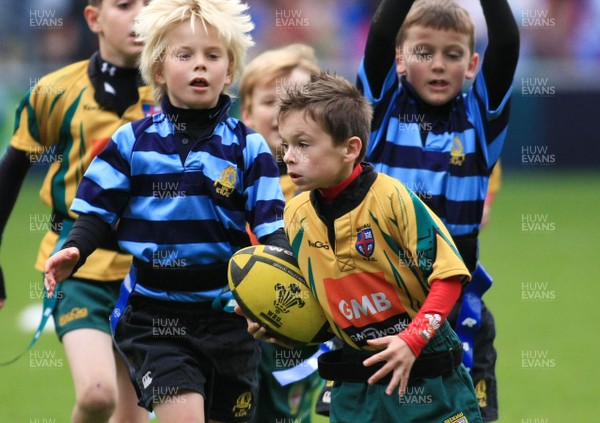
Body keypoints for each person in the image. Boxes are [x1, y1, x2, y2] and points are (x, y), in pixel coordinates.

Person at [43, 0, 288, 421]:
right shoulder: (131, 141)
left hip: (230, 317)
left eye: (213, 56)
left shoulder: (250, 148)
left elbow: (271, 231)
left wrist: (283, 280)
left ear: (229, 72)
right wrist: (76, 249)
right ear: (158, 69)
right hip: (156, 317)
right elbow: (98, 211)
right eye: (185, 55)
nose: (201, 65)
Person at [244, 71, 483, 422]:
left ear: (350, 148)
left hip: (430, 375)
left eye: (303, 144)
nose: (289, 156)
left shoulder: (391, 198)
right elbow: (320, 314)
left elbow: (449, 277)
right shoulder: (295, 214)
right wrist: (279, 326)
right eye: (286, 144)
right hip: (355, 384)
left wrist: (412, 340)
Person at [357, 0, 519, 420]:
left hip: (458, 302)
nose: (439, 65)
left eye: (452, 54)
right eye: (424, 52)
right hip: (384, 302)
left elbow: (506, 41)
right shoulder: (380, 114)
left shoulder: (480, 120)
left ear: (472, 64)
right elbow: (380, 34)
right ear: (399, 59)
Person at [0, 1, 153, 422]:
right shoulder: (54, 91)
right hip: (76, 265)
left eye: (148, 4)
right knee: (97, 395)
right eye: (124, 5)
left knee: (136, 412)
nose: (139, 15)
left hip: (150, 272)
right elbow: (12, 170)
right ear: (94, 18)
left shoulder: (172, 94)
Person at [238, 43, 323, 423]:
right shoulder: (221, 177)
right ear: (246, 111)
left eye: (298, 101)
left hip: (298, 339)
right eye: (271, 101)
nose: (282, 113)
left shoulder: (328, 191)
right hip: (225, 332)